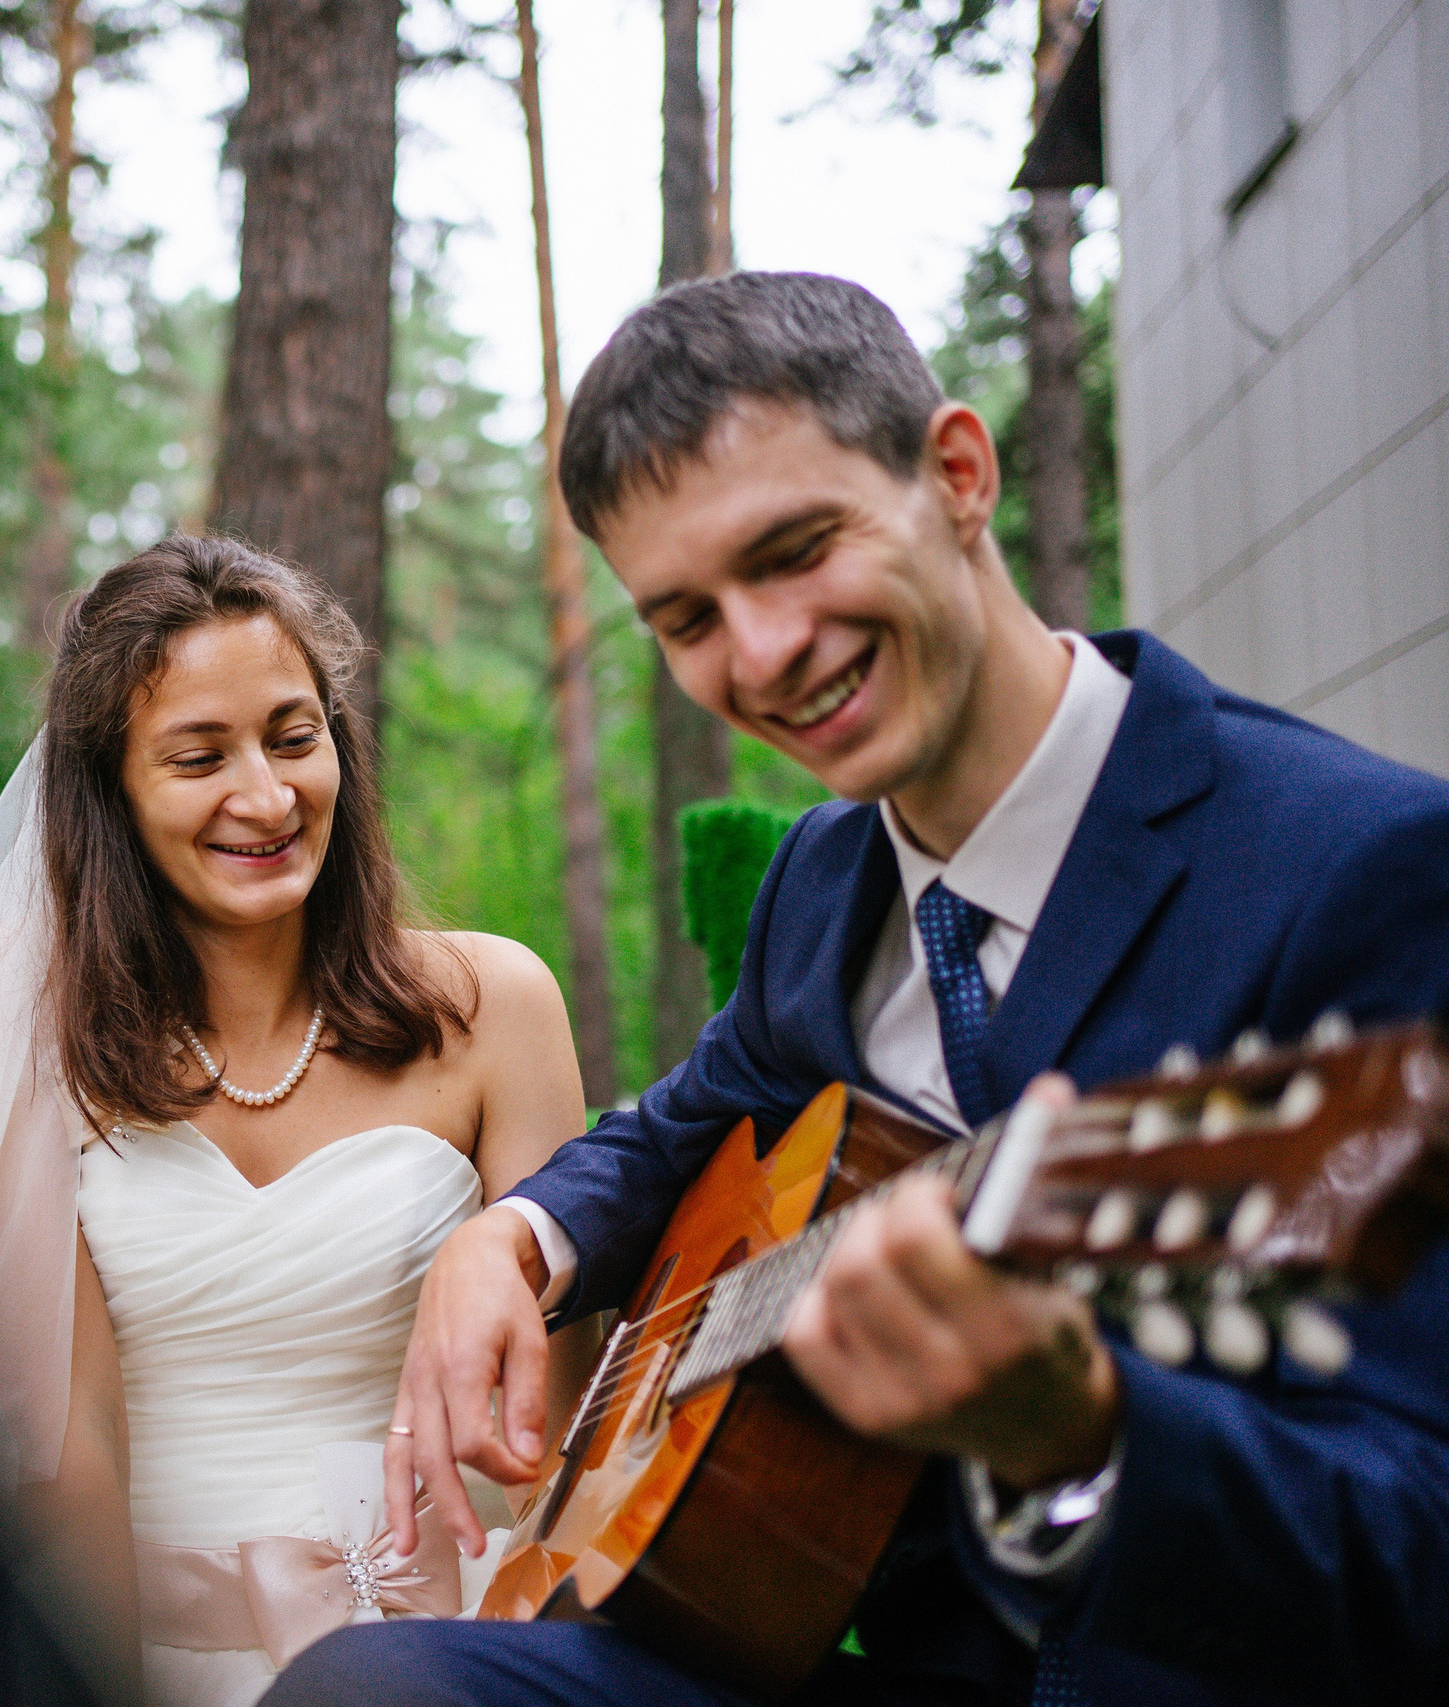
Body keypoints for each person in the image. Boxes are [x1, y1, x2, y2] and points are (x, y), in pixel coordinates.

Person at [264, 272, 1449, 1706]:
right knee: (373, 1687)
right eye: (688, 617)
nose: (760, 654)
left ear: (958, 472)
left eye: (796, 549)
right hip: (864, 1650)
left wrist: (1085, 1431)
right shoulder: (823, 882)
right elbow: (691, 1118)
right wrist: (513, 1237)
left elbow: (1414, 1546)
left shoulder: (1356, 865)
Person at [0, 535, 591, 1707]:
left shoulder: (495, 1006)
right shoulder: (17, 1018)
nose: (265, 796)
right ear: (113, 792)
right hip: (149, 1656)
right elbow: (68, 1448)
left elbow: (568, 1411)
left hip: (455, 1653)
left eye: (293, 738)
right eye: (199, 757)